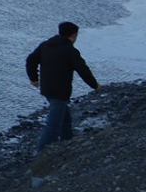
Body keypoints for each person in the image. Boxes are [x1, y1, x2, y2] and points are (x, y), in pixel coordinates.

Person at [25, 21, 100, 156]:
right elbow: (83, 70)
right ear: (73, 35)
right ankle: (42, 153)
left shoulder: (46, 45)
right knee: (53, 124)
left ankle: (68, 142)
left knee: (64, 116)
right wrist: (96, 86)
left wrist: (34, 78)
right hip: (60, 91)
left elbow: (30, 60)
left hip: (47, 88)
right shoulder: (70, 50)